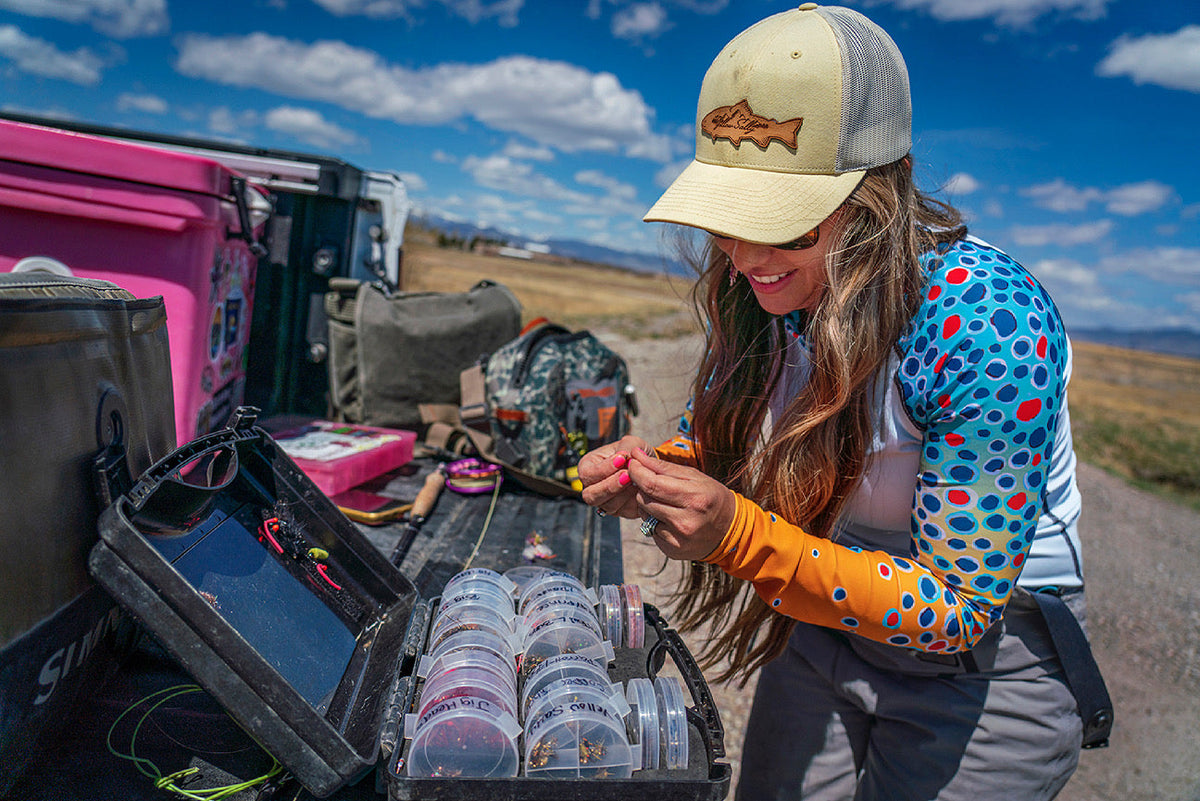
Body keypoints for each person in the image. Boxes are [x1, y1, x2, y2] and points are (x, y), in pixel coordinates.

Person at [578, 4, 1093, 800]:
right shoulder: (763, 289)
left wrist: (742, 536)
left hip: (983, 665)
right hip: (824, 613)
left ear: (875, 197)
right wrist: (660, 472)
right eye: (728, 219)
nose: (746, 257)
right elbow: (714, 439)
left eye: (781, 225)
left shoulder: (988, 325)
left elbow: (958, 607)